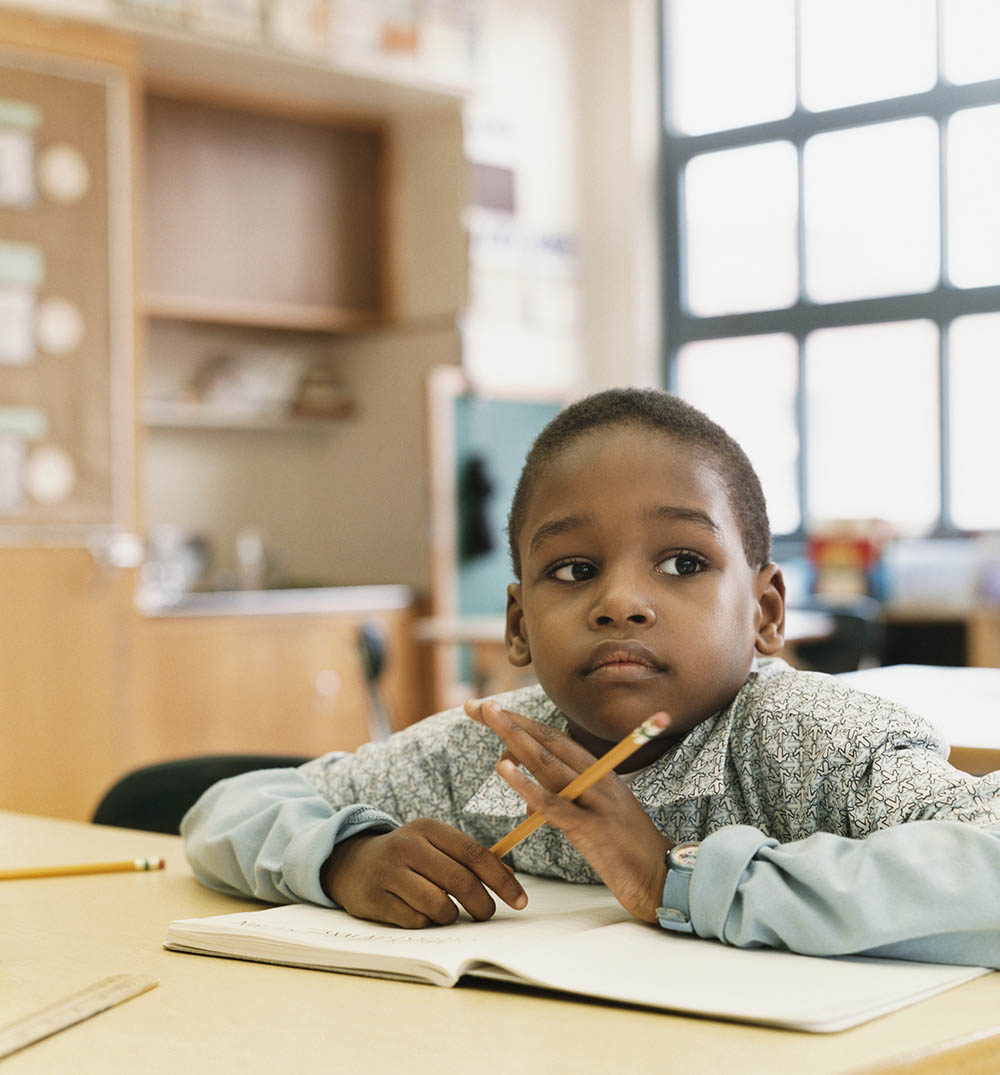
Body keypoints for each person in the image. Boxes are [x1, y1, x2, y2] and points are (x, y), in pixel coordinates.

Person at [183, 388, 1000, 966]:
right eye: (573, 569)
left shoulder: (806, 741)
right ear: (517, 624)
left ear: (764, 613)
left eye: (682, 561)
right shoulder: (493, 753)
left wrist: (677, 880)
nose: (619, 602)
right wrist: (346, 859)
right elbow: (230, 807)